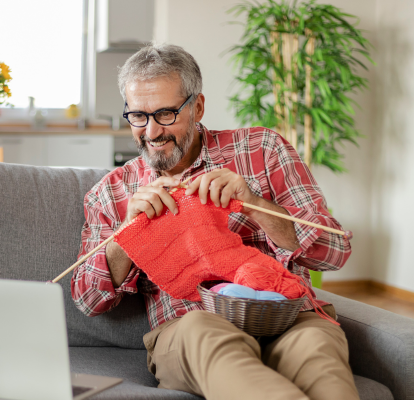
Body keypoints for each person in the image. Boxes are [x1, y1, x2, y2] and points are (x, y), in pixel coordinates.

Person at [71, 44, 358, 400]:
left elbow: (335, 251)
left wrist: (255, 204)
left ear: (198, 107)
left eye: (165, 114)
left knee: (320, 358)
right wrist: (127, 233)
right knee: (205, 336)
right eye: (138, 116)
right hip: (190, 327)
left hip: (288, 317)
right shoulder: (110, 193)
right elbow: (87, 299)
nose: (151, 132)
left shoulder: (263, 149)